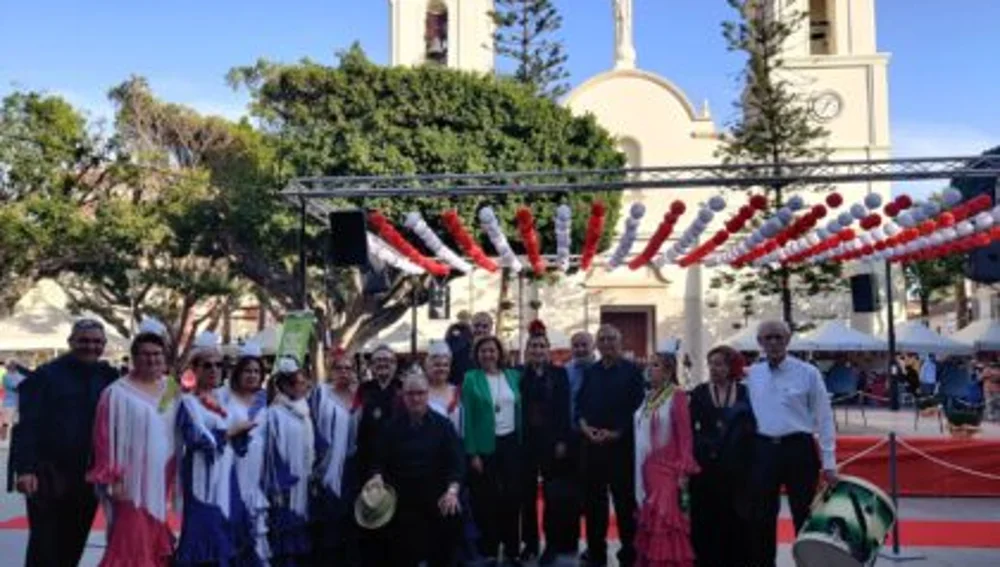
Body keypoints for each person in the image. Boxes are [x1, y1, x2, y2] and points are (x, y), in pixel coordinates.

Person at [13, 319, 119, 567]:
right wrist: (25, 469)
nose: (90, 346)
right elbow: (27, 425)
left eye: (96, 342)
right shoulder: (46, 375)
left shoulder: (109, 376)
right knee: (45, 546)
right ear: (70, 342)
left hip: (88, 477)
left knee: (74, 543)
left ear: (104, 345)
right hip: (48, 474)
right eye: (83, 340)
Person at [87, 324, 180, 567]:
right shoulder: (116, 393)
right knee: (130, 538)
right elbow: (103, 439)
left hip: (161, 478)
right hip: (130, 481)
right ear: (134, 358)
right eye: (145, 354)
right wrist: (113, 479)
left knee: (154, 533)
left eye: (157, 354)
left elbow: (173, 427)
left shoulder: (170, 388)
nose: (152, 359)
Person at [746, 320, 837, 567]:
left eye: (778, 337)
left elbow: (825, 418)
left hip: (799, 450)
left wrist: (830, 461)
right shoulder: (752, 375)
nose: (773, 342)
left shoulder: (808, 373)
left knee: (804, 514)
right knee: (762, 516)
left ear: (787, 340)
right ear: (760, 343)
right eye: (768, 338)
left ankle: (807, 563)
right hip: (763, 451)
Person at [366, 371, 465, 566]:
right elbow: (377, 461)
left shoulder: (443, 426)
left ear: (428, 394)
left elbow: (456, 463)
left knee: (451, 514)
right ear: (403, 396)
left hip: (436, 495)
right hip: (401, 498)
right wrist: (376, 476)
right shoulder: (390, 427)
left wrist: (452, 490)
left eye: (420, 393)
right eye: (411, 394)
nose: (416, 398)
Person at [576, 325, 645, 567]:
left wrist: (617, 433)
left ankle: (629, 553)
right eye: (602, 339)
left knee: (625, 505)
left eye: (611, 339)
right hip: (593, 447)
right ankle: (596, 553)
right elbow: (581, 405)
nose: (606, 344)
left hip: (621, 449)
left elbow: (638, 409)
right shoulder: (591, 372)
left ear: (620, 342)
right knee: (594, 505)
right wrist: (584, 427)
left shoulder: (633, 372)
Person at [689, 345, 756, 567]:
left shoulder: (745, 392)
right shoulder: (699, 392)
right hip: (705, 467)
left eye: (720, 364)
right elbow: (689, 429)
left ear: (731, 367)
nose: (715, 369)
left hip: (737, 467)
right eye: (712, 364)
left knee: (736, 517)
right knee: (705, 518)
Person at [633, 343, 699, 567]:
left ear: (669, 371)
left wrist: (683, 470)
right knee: (650, 522)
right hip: (647, 469)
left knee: (665, 523)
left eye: (656, 365)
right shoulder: (649, 397)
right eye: (649, 365)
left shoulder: (677, 396)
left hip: (667, 470)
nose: (649, 369)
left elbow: (685, 436)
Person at [463, 336, 522, 565]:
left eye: (492, 350)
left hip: (511, 443)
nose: (488, 355)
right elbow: (467, 418)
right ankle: (488, 549)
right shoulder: (471, 379)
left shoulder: (514, 376)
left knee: (512, 496)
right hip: (485, 445)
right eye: (483, 351)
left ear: (499, 353)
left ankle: (512, 549)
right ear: (477, 355)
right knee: (486, 499)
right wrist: (473, 453)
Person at [518, 321, 573, 565]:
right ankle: (530, 544)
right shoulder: (519, 374)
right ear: (528, 350)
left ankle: (552, 544)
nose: (538, 350)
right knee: (526, 497)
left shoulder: (559, 374)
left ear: (548, 349)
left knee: (553, 497)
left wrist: (562, 439)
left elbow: (564, 408)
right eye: (533, 346)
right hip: (526, 444)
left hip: (552, 443)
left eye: (542, 346)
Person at [219, 340, 271, 566]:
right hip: (229, 467)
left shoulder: (265, 399)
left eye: (256, 371)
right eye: (247, 370)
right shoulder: (222, 395)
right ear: (237, 372)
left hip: (257, 469)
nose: (252, 375)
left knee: (254, 523)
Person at [310, 346, 361, 565]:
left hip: (353, 466)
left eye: (348, 368)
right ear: (331, 371)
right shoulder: (321, 394)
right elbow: (309, 426)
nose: (344, 372)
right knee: (328, 519)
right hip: (325, 466)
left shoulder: (360, 397)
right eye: (339, 368)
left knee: (350, 519)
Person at [263, 357, 315, 567]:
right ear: (284, 386)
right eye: (299, 383)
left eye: (305, 383)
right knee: (284, 539)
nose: (304, 387)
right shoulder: (274, 414)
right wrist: (280, 485)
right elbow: (271, 454)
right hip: (285, 487)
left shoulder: (304, 411)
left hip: (303, 483)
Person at [355, 345, 402, 478]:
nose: (383, 363)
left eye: (387, 360)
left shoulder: (404, 389)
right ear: (372, 365)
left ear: (395, 365)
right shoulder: (362, 390)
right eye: (378, 360)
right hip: (368, 458)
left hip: (399, 459)